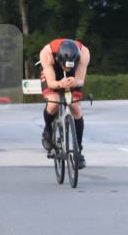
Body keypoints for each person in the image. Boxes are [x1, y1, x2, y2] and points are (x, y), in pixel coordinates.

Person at [38, 39, 91, 169]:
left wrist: (75, 82)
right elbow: (50, 83)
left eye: (69, 66)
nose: (66, 69)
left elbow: (80, 81)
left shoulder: (84, 53)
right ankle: (48, 130)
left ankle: (78, 151)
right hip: (53, 72)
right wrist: (59, 84)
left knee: (75, 107)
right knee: (53, 102)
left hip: (74, 74)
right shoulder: (47, 54)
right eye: (65, 66)